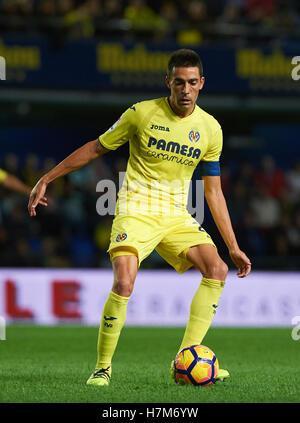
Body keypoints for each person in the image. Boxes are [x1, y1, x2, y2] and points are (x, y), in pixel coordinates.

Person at [28, 49, 251, 386]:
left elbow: (213, 192)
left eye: (192, 83)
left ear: (202, 84)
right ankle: (103, 367)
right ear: (168, 82)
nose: (185, 90)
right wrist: (47, 178)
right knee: (124, 281)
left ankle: (186, 358)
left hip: (176, 214)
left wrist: (233, 246)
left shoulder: (210, 129)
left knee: (217, 268)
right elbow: (95, 147)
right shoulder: (141, 113)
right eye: (179, 82)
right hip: (135, 209)